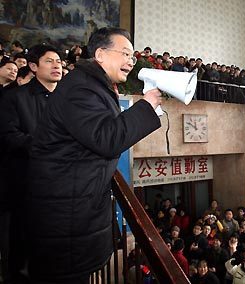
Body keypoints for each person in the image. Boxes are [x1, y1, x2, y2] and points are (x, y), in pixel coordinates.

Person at [24, 27, 162, 283]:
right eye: (125, 53)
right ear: (100, 54)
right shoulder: (82, 89)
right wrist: (147, 106)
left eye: (132, 56)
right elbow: (106, 139)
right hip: (66, 222)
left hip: (71, 213)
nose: (131, 61)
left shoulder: (89, 85)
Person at [0, 44, 63, 283]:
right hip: (25, 185)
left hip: (61, 186)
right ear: (34, 66)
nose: (57, 65)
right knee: (22, 250)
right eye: (50, 61)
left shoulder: (68, 100)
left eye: (58, 61)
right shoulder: (14, 98)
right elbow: (8, 137)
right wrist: (45, 144)